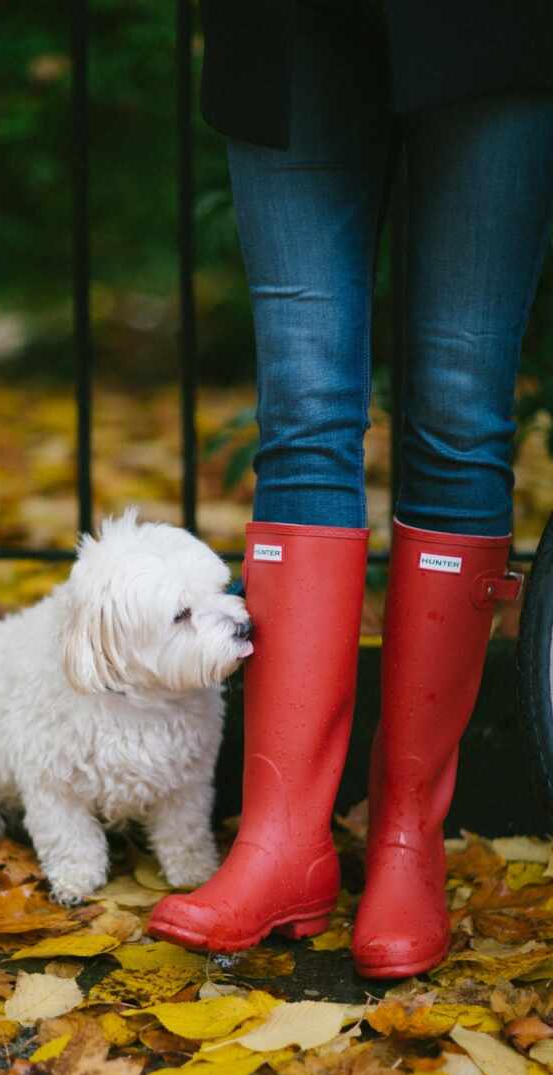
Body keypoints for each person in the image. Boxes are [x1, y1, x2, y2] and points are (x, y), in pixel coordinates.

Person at [148, 0, 553, 978]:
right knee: (300, 411)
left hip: (498, 30)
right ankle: (281, 840)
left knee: (459, 414)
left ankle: (407, 839)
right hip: (286, 23)